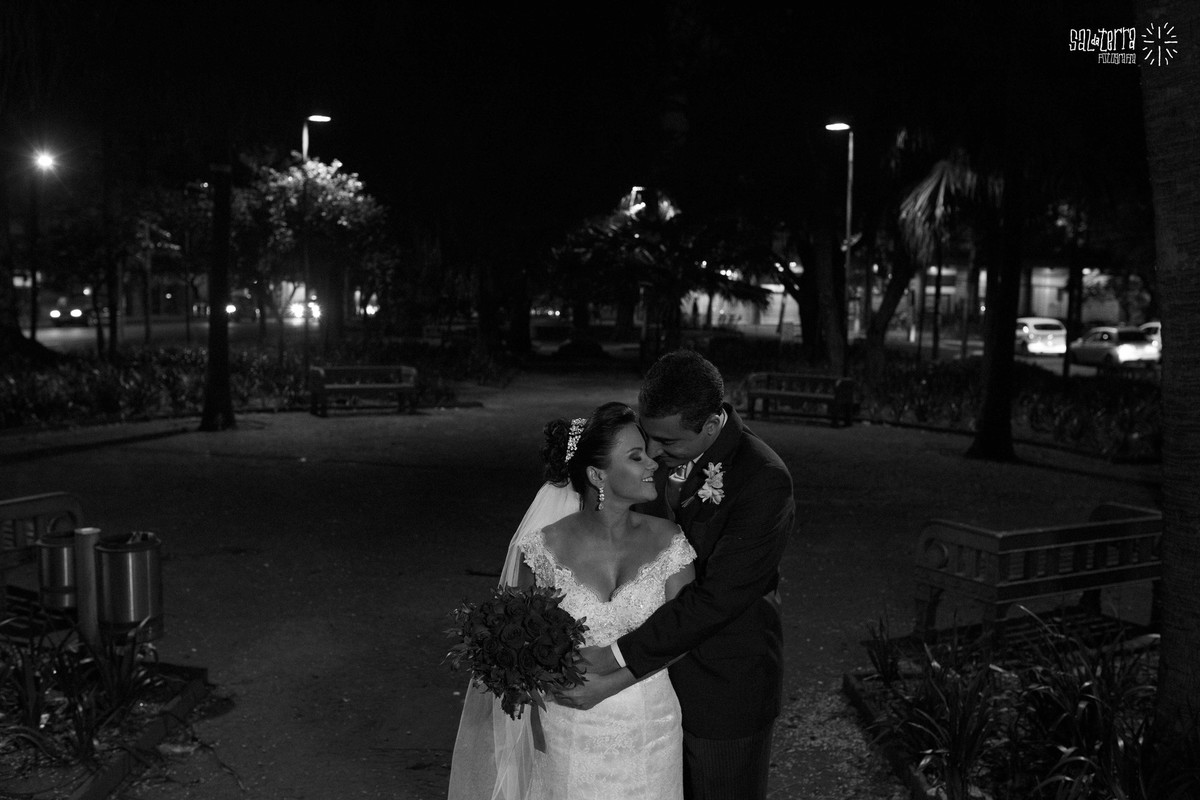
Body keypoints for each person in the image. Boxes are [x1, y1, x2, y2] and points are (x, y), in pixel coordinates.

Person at [558, 350, 795, 800]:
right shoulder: (650, 453)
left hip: (721, 691)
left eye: (667, 441)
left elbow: (715, 600)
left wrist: (612, 661)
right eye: (648, 435)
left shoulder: (763, 480)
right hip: (647, 700)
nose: (652, 452)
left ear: (711, 424)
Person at [448, 401, 697, 800]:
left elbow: (683, 634)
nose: (653, 463)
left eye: (648, 454)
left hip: (651, 728)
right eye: (636, 457)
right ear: (598, 475)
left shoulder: (670, 540)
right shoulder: (543, 550)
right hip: (568, 729)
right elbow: (518, 641)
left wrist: (612, 684)